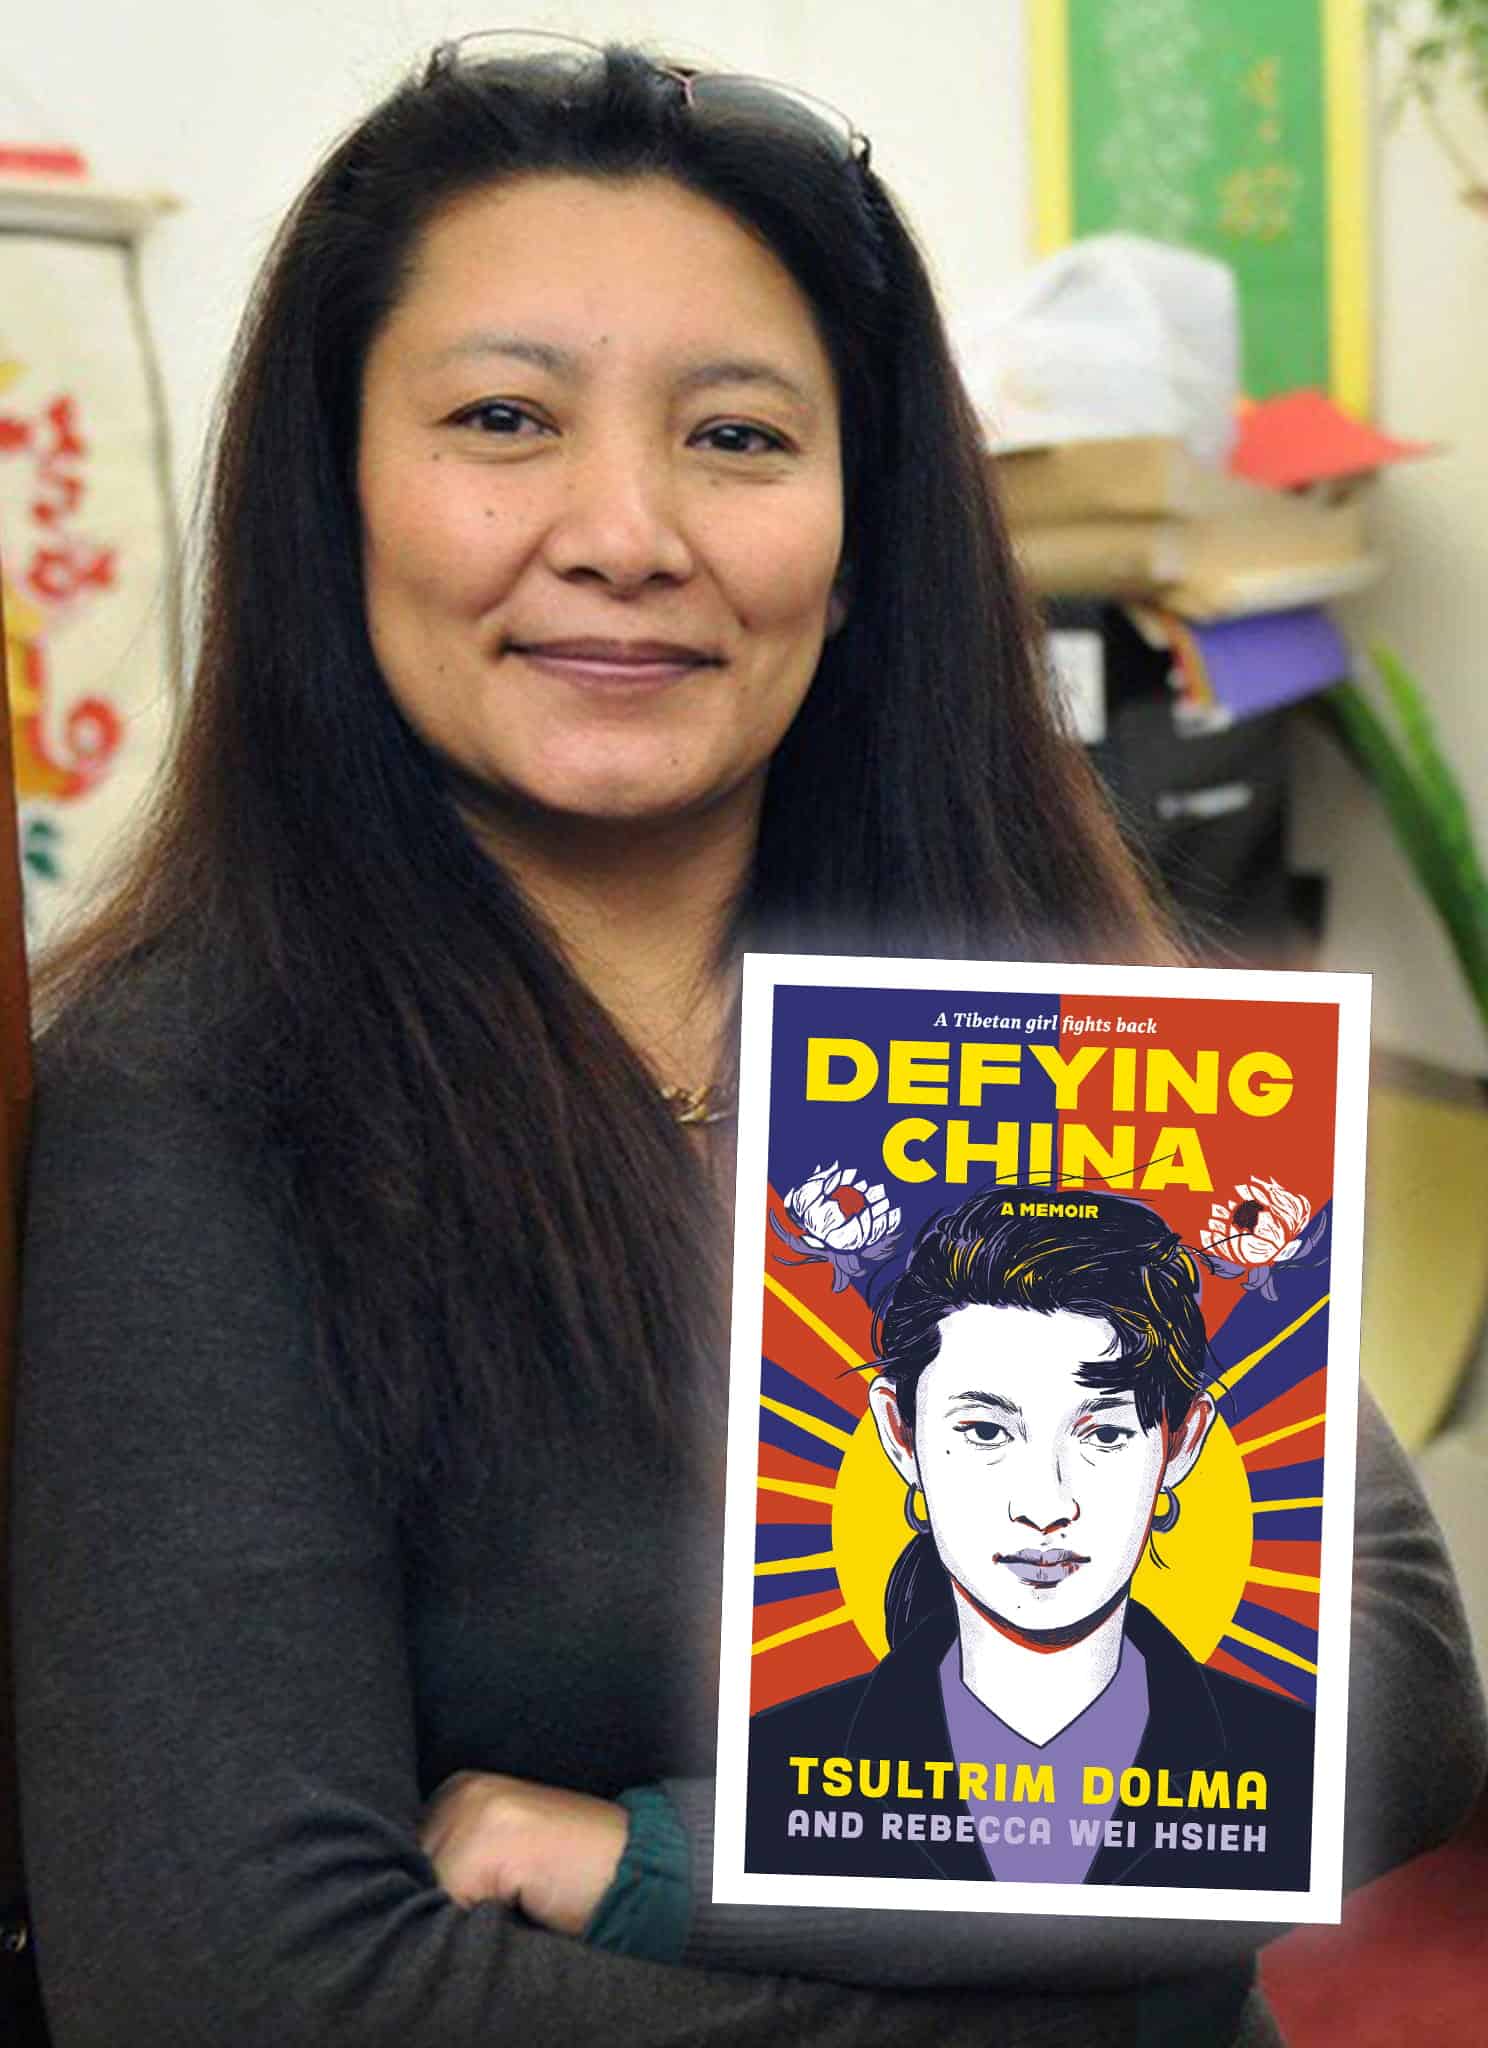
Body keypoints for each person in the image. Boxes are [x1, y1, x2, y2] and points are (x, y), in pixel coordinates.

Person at [10, 34, 1484, 2048]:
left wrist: (658, 1866)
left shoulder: (1027, 1010)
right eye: (505, 417)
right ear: (332, 494)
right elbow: (245, 1986)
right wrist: (1104, 1976)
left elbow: (1377, 1713)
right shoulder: (189, 1098)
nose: (627, 529)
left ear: (865, 527)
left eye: (739, 438)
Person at [746, 1187, 1314, 1890]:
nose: (1045, 1505)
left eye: (1104, 1433)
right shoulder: (774, 1765)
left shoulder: (1295, 1767)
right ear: (901, 1433)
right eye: (985, 1431)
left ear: (1181, 1443)